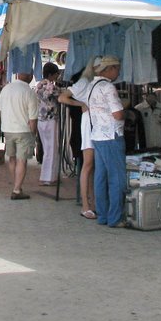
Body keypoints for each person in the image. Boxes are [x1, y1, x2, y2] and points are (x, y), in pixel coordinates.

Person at [88, 56, 127, 227]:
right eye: (117, 69)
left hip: (97, 135)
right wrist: (127, 110)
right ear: (109, 69)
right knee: (117, 178)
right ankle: (115, 217)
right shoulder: (108, 87)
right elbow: (117, 114)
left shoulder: (92, 86)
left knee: (100, 177)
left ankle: (103, 215)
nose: (118, 72)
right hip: (111, 135)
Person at [59, 60, 97, 219]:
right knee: (87, 165)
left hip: (94, 127)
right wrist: (80, 104)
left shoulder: (93, 82)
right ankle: (87, 205)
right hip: (88, 127)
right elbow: (62, 98)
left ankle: (92, 202)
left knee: (91, 167)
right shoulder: (84, 82)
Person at [0, 71, 39, 200]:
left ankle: (16, 185)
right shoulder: (29, 92)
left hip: (8, 129)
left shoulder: (5, 89)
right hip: (23, 130)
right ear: (29, 76)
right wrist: (34, 132)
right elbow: (33, 118)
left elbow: (0, 110)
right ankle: (16, 189)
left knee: (11, 158)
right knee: (22, 160)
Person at [35, 62, 61, 185]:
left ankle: (47, 176)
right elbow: (62, 95)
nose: (58, 76)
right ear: (51, 74)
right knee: (52, 148)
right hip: (50, 119)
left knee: (46, 148)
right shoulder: (51, 87)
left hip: (41, 119)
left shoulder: (38, 85)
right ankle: (48, 178)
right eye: (56, 74)